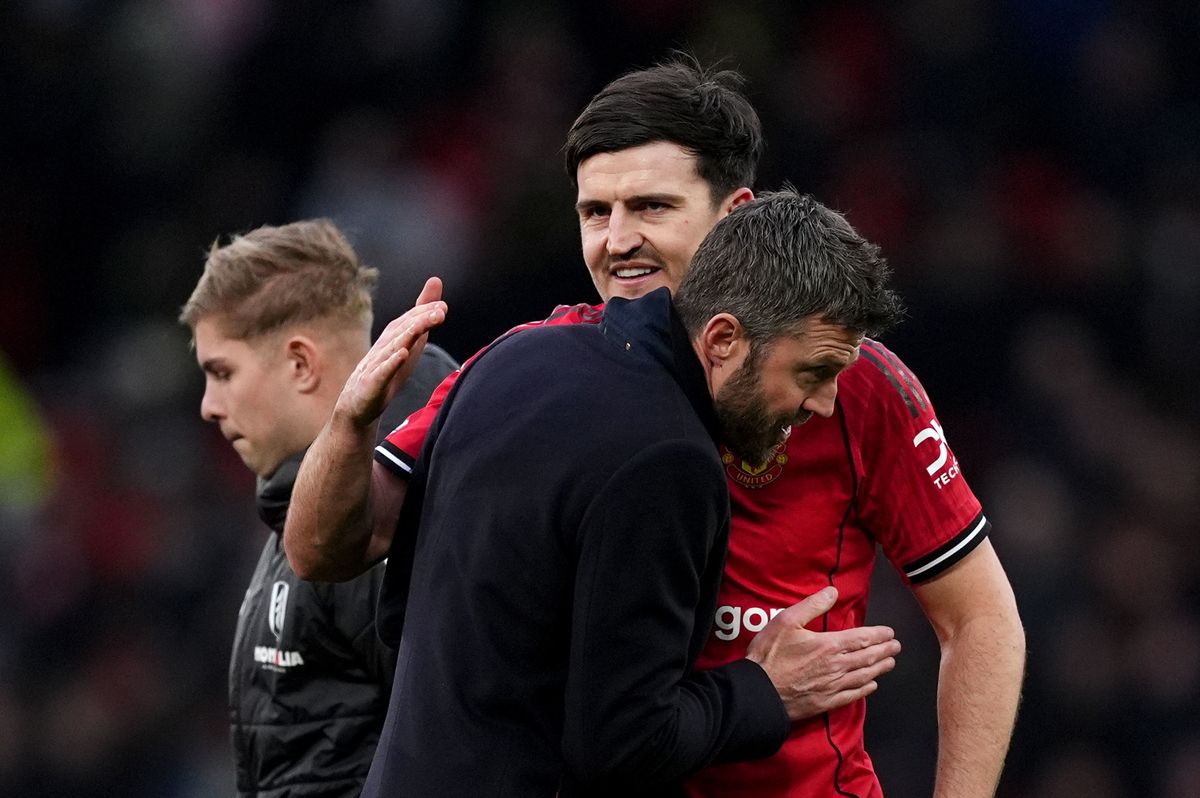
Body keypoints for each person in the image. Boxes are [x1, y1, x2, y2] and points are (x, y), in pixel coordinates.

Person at [286, 58, 1025, 798]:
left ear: (736, 215)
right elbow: (327, 548)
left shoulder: (844, 381)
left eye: (652, 207)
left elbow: (981, 621)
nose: (617, 240)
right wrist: (348, 425)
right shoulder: (532, 367)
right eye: (594, 213)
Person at [370, 188, 903, 795]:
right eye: (812, 372)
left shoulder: (511, 356)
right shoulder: (670, 458)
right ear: (723, 339)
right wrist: (763, 688)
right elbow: (623, 743)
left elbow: (396, 616)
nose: (825, 403)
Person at [178, 219, 457, 797]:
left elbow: (461, 752)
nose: (208, 406)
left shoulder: (384, 516)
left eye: (222, 373)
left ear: (301, 364)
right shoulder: (298, 501)